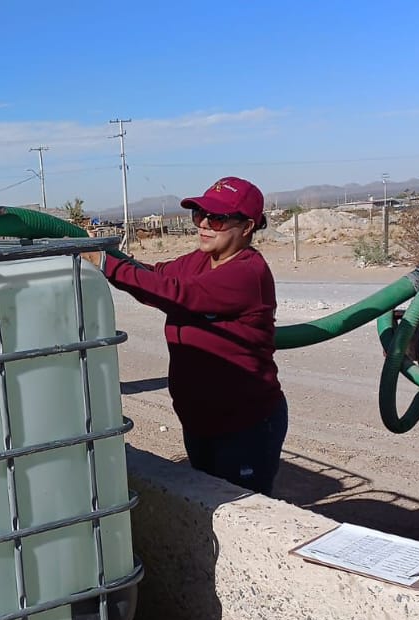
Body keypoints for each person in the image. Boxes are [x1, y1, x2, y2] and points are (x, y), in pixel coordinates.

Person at [101, 176, 287, 496]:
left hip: (244, 426)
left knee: (238, 506)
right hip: (201, 422)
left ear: (247, 227)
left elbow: (175, 293)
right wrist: (108, 258)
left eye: (216, 219)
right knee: (208, 503)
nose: (203, 224)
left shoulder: (247, 272)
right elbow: (156, 275)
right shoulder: (201, 260)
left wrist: (106, 264)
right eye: (199, 215)